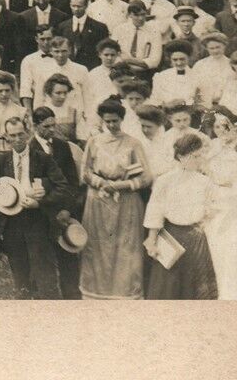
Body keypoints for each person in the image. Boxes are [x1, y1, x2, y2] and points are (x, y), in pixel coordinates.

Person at [78, 98, 149, 299]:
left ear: (122, 119)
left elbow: (145, 177)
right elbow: (85, 172)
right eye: (107, 121)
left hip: (125, 202)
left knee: (126, 248)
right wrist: (101, 183)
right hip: (98, 200)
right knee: (98, 246)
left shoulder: (133, 143)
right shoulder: (94, 142)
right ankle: (96, 292)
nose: (111, 125)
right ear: (101, 120)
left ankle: (125, 292)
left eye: (115, 121)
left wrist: (120, 185)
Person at [143, 130, 218, 299]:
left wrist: (203, 224)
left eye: (200, 156)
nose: (199, 160)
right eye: (195, 156)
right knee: (168, 287)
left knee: (196, 287)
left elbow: (212, 208)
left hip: (196, 239)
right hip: (171, 237)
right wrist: (152, 240)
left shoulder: (205, 181)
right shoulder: (165, 181)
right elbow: (155, 211)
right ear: (182, 156)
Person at [203, 107, 235, 299]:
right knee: (214, 246)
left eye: (225, 126)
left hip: (233, 202)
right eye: (216, 126)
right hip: (214, 201)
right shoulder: (212, 146)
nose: (221, 130)